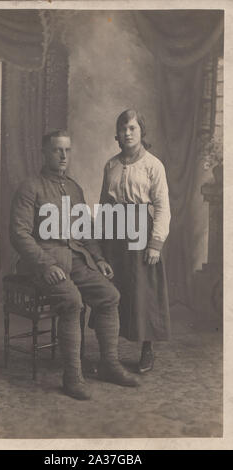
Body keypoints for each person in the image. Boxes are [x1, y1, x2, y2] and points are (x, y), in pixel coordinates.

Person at [9, 129, 140, 401]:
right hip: (41, 261)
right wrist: (45, 265)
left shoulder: (74, 188)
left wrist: (100, 259)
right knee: (72, 301)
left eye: (67, 150)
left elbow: (86, 233)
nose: (63, 156)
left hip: (75, 258)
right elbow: (19, 234)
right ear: (44, 153)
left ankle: (109, 364)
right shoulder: (30, 187)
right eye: (57, 150)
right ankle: (72, 376)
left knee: (110, 296)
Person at [97, 109, 171, 373]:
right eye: (123, 129)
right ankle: (109, 353)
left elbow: (162, 207)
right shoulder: (111, 165)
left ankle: (147, 350)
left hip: (141, 232)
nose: (127, 133)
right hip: (114, 234)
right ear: (117, 134)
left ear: (141, 131)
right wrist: (100, 246)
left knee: (144, 292)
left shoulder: (153, 165)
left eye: (132, 128)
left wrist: (155, 243)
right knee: (114, 288)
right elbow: (104, 205)